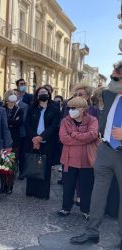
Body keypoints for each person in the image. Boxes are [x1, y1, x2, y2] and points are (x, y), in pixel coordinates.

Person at [70, 62, 122, 248]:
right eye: (112, 75)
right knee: (97, 193)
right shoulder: (109, 95)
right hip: (105, 150)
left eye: (116, 75)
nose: (112, 77)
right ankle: (92, 232)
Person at [58, 97, 98, 220]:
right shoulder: (65, 121)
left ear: (83, 109)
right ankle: (66, 208)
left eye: (74, 108)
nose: (70, 110)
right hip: (69, 159)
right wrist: (83, 139)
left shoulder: (92, 120)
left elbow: (92, 135)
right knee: (68, 186)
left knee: (87, 186)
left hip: (86, 160)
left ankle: (86, 210)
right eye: (69, 108)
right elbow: (63, 138)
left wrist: (74, 135)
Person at [24, 86, 60, 200]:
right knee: (32, 164)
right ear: (37, 95)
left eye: (45, 92)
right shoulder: (32, 107)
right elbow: (27, 124)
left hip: (47, 142)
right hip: (33, 141)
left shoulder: (54, 108)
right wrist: (34, 138)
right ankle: (31, 191)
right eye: (41, 92)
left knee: (45, 167)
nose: (43, 94)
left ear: (49, 95)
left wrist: (41, 137)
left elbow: (54, 126)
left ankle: (42, 193)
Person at [2, 90, 23, 194]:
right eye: (11, 94)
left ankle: (10, 185)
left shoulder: (19, 110)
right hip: (4, 140)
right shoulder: (2, 109)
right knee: (4, 163)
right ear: (7, 97)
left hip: (15, 140)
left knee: (12, 163)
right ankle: (4, 184)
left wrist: (7, 121)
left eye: (15, 94)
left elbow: (18, 123)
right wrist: (11, 122)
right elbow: (2, 123)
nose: (13, 96)